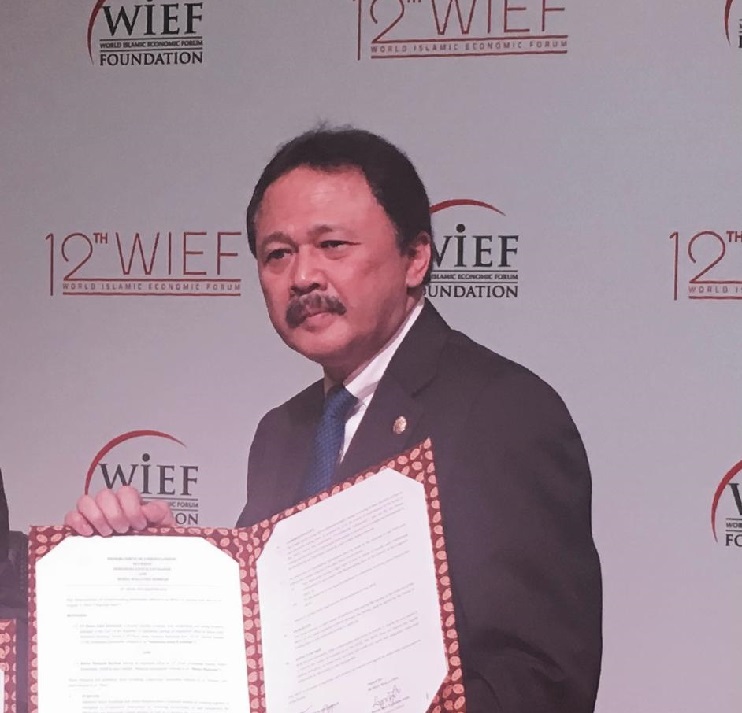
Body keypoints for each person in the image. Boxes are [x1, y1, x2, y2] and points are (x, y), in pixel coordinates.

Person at [65, 127, 602, 712]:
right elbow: (263, 651)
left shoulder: (503, 412)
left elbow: (545, 683)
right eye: (278, 254)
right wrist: (157, 567)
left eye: (333, 245)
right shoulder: (283, 432)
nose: (303, 277)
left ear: (415, 257)